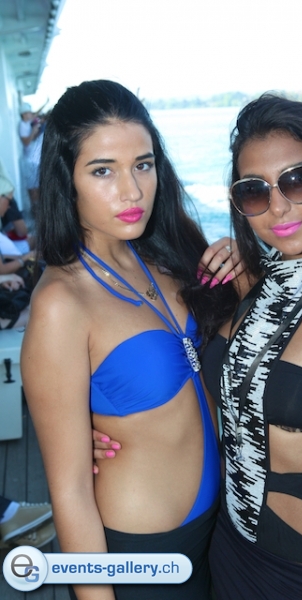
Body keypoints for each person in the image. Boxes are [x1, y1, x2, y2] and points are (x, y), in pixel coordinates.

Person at [95, 94, 302, 599]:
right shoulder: (248, 284)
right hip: (227, 543)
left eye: (299, 180)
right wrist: (109, 431)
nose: (278, 207)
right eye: (255, 190)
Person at [21, 80, 240, 600]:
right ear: (67, 179)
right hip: (144, 556)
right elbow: (71, 493)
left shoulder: (169, 255)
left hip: (222, 530)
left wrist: (243, 269)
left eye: (143, 164)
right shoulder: (62, 303)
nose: (133, 191)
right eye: (103, 170)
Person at [18, 101, 48, 207]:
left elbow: (36, 113)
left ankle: (37, 207)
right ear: (24, 114)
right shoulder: (22, 125)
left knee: (37, 185)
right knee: (32, 186)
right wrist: (33, 132)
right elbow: (26, 142)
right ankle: (35, 208)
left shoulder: (27, 122)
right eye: (29, 113)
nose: (31, 114)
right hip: (29, 161)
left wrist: (45, 103)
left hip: (34, 159)